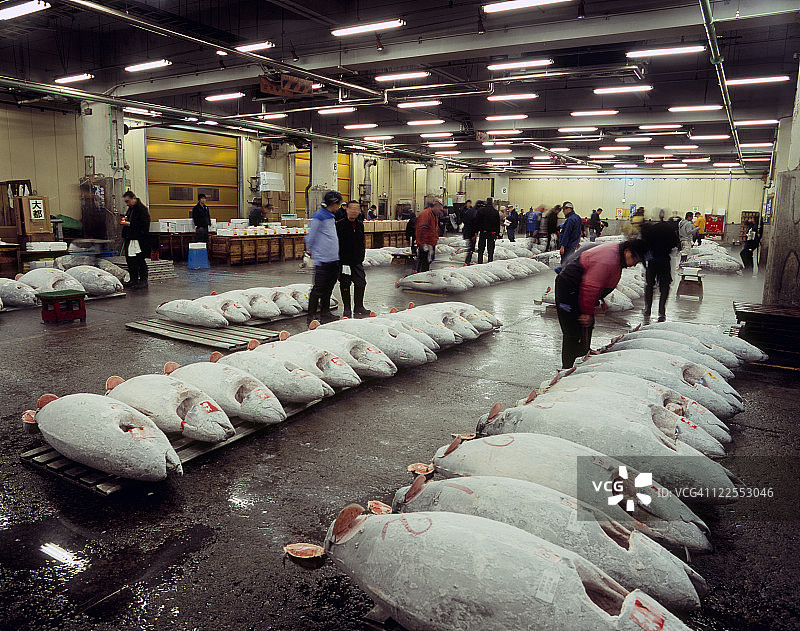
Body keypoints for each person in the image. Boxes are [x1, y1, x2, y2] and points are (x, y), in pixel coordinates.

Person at [555, 239, 647, 369]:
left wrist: (600, 300)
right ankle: (566, 368)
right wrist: (586, 312)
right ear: (627, 251)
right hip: (568, 288)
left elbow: (602, 281)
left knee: (588, 324)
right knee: (572, 330)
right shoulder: (609, 259)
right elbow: (590, 286)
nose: (634, 264)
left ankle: (584, 354)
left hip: (579, 288)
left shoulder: (617, 255)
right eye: (635, 259)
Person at [305, 190, 342, 323]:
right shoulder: (319, 216)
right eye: (338, 204)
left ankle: (325, 313)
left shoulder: (331, 216)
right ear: (334, 203)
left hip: (333, 258)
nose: (339, 207)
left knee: (329, 288)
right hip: (323, 259)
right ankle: (311, 315)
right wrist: (310, 249)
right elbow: (311, 235)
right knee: (319, 288)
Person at [641, 210, 680, 323]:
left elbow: (645, 243)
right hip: (664, 261)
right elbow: (675, 244)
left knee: (649, 285)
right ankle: (662, 312)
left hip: (652, 261)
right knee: (664, 287)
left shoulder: (652, 229)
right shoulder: (669, 229)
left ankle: (648, 309)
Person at [337, 200, 370, 318]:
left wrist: (362, 256)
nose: (354, 211)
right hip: (344, 261)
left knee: (361, 282)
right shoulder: (339, 224)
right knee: (345, 284)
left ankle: (359, 306)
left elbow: (362, 242)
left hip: (357, 261)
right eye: (352, 209)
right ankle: (347, 308)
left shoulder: (360, 224)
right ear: (347, 209)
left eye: (357, 209)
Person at [121, 191, 150, 289]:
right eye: (126, 202)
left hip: (138, 238)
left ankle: (143, 280)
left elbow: (144, 224)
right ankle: (133, 279)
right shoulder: (131, 209)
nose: (127, 204)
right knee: (130, 260)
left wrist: (129, 224)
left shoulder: (142, 209)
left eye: (128, 201)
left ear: (134, 198)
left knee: (140, 260)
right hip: (130, 237)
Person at [415, 201, 442, 272]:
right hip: (425, 242)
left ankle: (422, 274)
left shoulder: (434, 215)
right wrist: (422, 243)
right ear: (436, 207)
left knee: (428, 260)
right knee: (424, 261)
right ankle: (420, 277)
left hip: (430, 242)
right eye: (440, 210)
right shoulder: (426, 214)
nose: (440, 212)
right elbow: (422, 229)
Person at [476, 199, 501, 263]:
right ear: (492, 203)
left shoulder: (480, 211)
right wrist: (497, 234)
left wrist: (476, 231)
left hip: (483, 232)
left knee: (481, 249)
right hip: (492, 233)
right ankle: (490, 262)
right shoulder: (495, 212)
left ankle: (480, 262)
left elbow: (477, 222)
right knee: (490, 250)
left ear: (486, 202)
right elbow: (498, 223)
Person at [461, 200, 478, 265]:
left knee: (470, 247)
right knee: (471, 247)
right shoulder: (472, 212)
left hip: (467, 231)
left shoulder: (470, 211)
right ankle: (468, 260)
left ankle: (468, 259)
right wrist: (475, 233)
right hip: (470, 232)